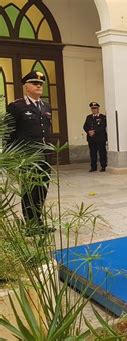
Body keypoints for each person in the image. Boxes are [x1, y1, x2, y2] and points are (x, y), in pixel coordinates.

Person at [6, 70, 55, 235]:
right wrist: (11, 157)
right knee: (29, 190)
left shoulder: (46, 106)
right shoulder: (16, 107)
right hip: (26, 157)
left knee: (42, 189)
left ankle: (38, 221)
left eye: (41, 84)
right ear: (26, 87)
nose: (39, 86)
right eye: (35, 83)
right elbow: (9, 133)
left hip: (44, 156)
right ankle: (30, 224)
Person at [83, 102, 107, 172]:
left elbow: (103, 126)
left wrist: (94, 131)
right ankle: (93, 167)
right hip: (91, 138)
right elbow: (85, 126)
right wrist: (89, 131)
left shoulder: (102, 117)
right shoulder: (89, 117)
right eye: (92, 109)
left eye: (95, 108)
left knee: (102, 152)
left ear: (98, 109)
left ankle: (103, 166)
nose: (94, 110)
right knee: (93, 153)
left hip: (100, 138)